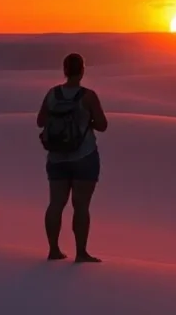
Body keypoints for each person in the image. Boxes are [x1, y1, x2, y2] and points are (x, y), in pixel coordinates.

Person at [37, 53, 108, 263]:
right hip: (84, 156)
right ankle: (81, 252)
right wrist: (86, 122)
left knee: (55, 204)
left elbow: (40, 121)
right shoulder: (88, 96)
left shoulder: (52, 94)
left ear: (64, 70)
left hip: (57, 157)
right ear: (82, 70)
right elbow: (103, 125)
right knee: (81, 206)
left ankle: (53, 250)